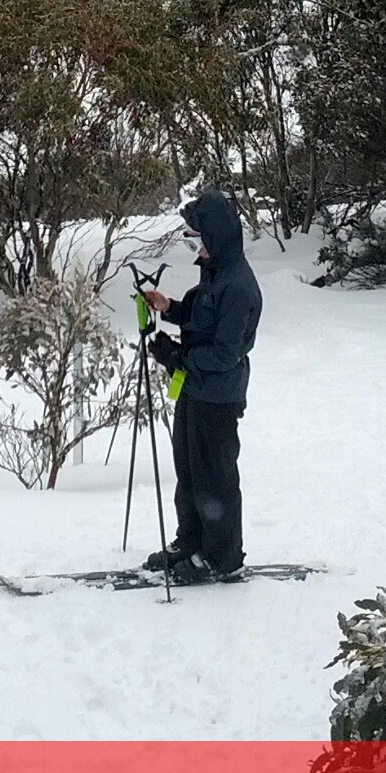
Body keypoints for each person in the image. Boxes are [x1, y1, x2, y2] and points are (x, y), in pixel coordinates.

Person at [140, 189, 263, 584]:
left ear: (217, 237)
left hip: (219, 395)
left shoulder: (238, 285)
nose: (195, 248)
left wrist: (178, 358)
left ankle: (222, 557)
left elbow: (226, 353)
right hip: (194, 389)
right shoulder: (214, 275)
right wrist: (169, 309)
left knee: (216, 476)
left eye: (198, 239)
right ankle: (191, 540)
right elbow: (200, 316)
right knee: (189, 469)